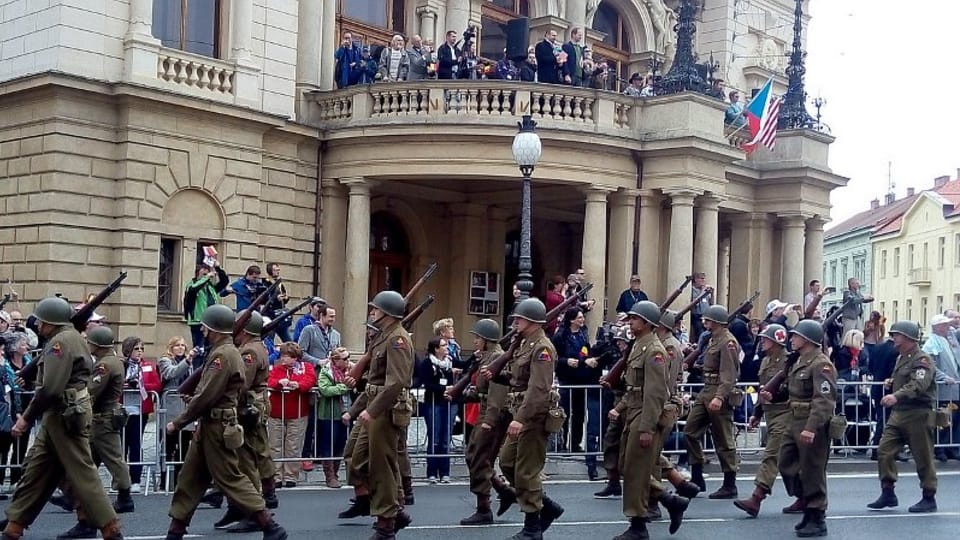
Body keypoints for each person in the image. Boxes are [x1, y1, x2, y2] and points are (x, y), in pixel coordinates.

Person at [2, 297, 123, 540]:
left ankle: (111, 528)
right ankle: (14, 526)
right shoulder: (73, 338)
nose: (37, 325)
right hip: (61, 415)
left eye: (41, 321)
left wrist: (25, 418)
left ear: (51, 322)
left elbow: (50, 388)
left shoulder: (61, 342)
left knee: (84, 474)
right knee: (36, 471)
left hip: (64, 416)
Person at [164, 304, 287, 540]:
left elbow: (208, 395)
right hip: (211, 423)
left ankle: (269, 525)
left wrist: (178, 422)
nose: (203, 330)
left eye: (206, 327)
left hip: (217, 426)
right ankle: (176, 529)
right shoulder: (227, 351)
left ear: (215, 329)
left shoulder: (224, 355)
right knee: (189, 478)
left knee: (231, 478)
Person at [482, 298, 564, 540]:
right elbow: (519, 379)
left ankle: (532, 527)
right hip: (521, 412)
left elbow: (538, 389)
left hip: (533, 416)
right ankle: (545, 505)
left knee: (526, 471)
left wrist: (520, 418)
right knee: (507, 462)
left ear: (532, 321)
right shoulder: (524, 344)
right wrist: (498, 376)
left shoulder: (542, 347)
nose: (515, 321)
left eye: (519, 318)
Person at [614, 302, 688, 539]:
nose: (631, 322)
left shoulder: (654, 350)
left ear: (647, 323)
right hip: (634, 411)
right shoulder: (639, 345)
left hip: (644, 415)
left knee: (635, 469)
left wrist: (647, 428)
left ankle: (638, 525)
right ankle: (670, 500)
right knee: (627, 466)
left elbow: (656, 393)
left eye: (635, 319)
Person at [349, 291, 415, 539]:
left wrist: (371, 409)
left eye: (376, 309)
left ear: (386, 313)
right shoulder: (384, 336)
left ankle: (386, 524)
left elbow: (396, 382)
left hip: (386, 411)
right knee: (359, 460)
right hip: (375, 405)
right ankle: (394, 512)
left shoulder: (397, 339)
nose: (372, 312)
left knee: (382, 466)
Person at [766, 320, 837, 538]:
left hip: (810, 422)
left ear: (806, 339)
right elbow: (791, 389)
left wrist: (812, 427)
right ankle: (805, 500)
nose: (791, 339)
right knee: (785, 462)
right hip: (793, 419)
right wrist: (774, 395)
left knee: (813, 470)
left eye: (796, 336)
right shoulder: (799, 361)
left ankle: (816, 515)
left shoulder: (821, 364)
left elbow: (824, 400)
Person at [215, 312, 279, 532]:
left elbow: (242, 384)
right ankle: (241, 504)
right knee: (256, 451)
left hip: (248, 408)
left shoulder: (250, 351)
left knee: (246, 457)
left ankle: (253, 510)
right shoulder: (256, 347)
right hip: (255, 405)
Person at [867, 320, 938, 513]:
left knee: (923, 457)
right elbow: (905, 379)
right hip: (899, 414)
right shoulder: (902, 357)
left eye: (896, 335)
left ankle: (928, 496)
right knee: (884, 451)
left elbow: (918, 385)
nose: (893, 338)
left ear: (907, 337)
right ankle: (888, 492)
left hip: (917, 414)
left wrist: (895, 395)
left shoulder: (922, 360)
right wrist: (893, 383)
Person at [456, 319, 518, 525]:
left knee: (478, 457)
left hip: (493, 415)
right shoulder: (487, 357)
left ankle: (484, 507)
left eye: (478, 338)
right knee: (475, 456)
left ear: (486, 340)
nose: (474, 341)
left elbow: (498, 394)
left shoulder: (498, 357)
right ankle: (502, 490)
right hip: (485, 410)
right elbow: (482, 388)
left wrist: (489, 421)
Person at [734, 324, 796, 517]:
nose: (761, 342)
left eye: (765, 339)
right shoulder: (765, 361)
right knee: (789, 462)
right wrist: (757, 413)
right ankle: (806, 496)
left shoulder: (790, 361)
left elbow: (791, 389)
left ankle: (757, 497)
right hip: (770, 414)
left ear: (777, 342)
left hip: (785, 414)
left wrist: (774, 398)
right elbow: (764, 388)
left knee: (771, 456)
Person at [683, 304, 740, 499]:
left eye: (707, 320)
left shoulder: (727, 342)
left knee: (723, 439)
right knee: (690, 431)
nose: (704, 322)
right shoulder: (712, 339)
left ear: (716, 322)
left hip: (718, 392)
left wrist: (719, 396)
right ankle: (697, 476)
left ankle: (730, 483)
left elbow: (729, 373)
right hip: (707, 389)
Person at [552, 308, 602, 479]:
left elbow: (585, 351)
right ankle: (563, 442)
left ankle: (575, 443)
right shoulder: (560, 336)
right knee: (565, 412)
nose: (582, 320)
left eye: (582, 317)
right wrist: (566, 361)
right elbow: (554, 357)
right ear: (571, 319)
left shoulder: (583, 334)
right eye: (579, 317)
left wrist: (586, 360)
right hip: (566, 378)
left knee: (579, 413)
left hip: (581, 377)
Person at [267, 342, 316, 488]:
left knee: (293, 445)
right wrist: (278, 383)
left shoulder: (306, 367)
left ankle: (290, 476)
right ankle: (276, 476)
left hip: (298, 413)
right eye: (282, 356)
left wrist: (298, 385)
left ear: (295, 357)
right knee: (275, 445)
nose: (283, 359)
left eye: (287, 356)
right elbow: (269, 380)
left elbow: (310, 380)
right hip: (276, 412)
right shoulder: (277, 369)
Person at [121, 336, 161, 493]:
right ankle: (121, 479)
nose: (139, 352)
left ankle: (136, 479)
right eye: (136, 349)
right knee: (121, 445)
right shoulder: (121, 366)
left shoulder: (148, 366)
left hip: (140, 410)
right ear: (128, 350)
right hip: (123, 410)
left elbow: (157, 384)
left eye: (142, 349)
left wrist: (140, 384)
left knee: (136, 443)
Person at [595, 325, 631, 499]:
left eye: (622, 342)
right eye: (618, 341)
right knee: (610, 442)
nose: (619, 345)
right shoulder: (622, 359)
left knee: (632, 451)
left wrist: (619, 408)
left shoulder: (635, 359)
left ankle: (660, 491)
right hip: (618, 403)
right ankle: (613, 482)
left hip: (629, 407)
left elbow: (634, 390)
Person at [158, 336, 198, 488]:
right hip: (171, 405)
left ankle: (180, 480)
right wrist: (187, 361)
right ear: (171, 347)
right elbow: (171, 373)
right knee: (168, 445)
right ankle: (165, 480)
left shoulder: (190, 363)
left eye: (183, 345)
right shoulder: (165, 360)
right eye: (177, 345)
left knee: (184, 446)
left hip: (185, 405)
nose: (180, 348)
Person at [418, 337, 456, 483]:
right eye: (443, 345)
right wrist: (444, 389)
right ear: (436, 349)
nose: (446, 347)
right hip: (433, 403)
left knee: (446, 438)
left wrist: (475, 357)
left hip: (447, 404)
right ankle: (432, 472)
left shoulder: (449, 362)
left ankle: (445, 472)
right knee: (434, 438)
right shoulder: (427, 363)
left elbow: (464, 365)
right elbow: (426, 383)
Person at [923, 314, 960, 461]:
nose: (948, 328)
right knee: (943, 419)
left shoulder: (949, 342)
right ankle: (940, 448)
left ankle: (953, 447)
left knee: (955, 419)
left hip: (954, 388)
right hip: (943, 389)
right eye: (945, 325)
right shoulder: (931, 344)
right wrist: (943, 377)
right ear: (937, 327)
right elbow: (930, 365)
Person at [317, 347, 351, 488]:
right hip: (329, 414)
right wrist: (344, 387)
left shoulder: (351, 370)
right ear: (335, 360)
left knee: (340, 444)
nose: (348, 360)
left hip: (347, 411)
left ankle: (336, 473)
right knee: (328, 445)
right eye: (345, 358)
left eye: (348, 357)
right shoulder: (326, 371)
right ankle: (329, 476)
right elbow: (325, 389)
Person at [183, 260, 229, 347]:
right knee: (199, 348)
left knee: (210, 347)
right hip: (198, 322)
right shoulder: (191, 285)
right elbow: (194, 289)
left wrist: (218, 268)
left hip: (211, 322)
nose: (207, 277)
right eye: (203, 275)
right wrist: (207, 277)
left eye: (207, 274)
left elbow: (224, 281)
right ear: (197, 275)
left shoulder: (210, 287)